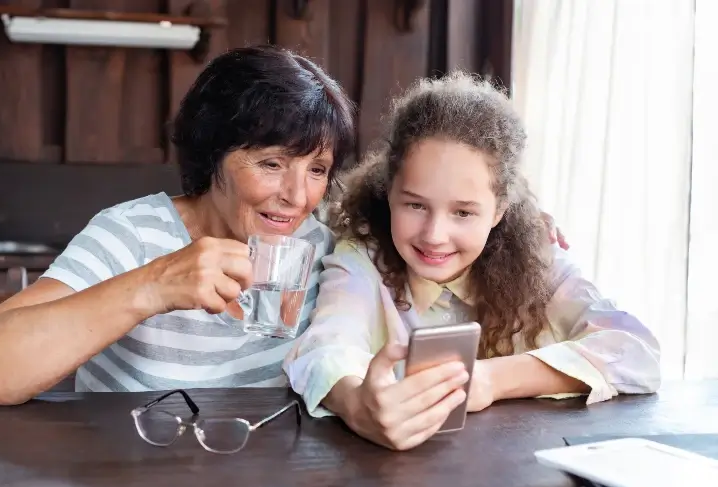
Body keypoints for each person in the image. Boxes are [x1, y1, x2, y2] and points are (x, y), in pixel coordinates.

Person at [282, 72, 661, 451]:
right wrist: (357, 402)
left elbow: (634, 349)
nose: (434, 234)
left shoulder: (539, 258)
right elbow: (326, 348)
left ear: (498, 211)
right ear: (389, 191)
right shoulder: (361, 258)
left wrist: (491, 380)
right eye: (415, 205)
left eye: (463, 213)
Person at [0, 45, 356, 405]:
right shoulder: (133, 234)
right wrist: (154, 285)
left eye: (317, 170)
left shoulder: (321, 248)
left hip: (267, 472)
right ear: (212, 152)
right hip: (128, 470)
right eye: (272, 164)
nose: (299, 196)